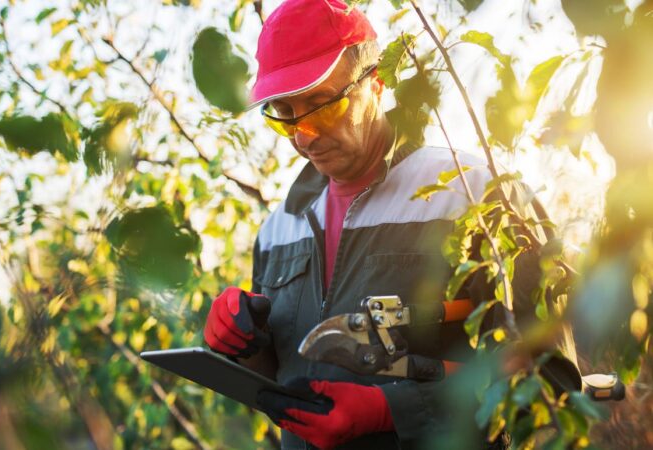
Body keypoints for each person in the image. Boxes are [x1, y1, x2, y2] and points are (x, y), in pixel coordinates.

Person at [203, 0, 579, 448]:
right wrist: (244, 345)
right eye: (285, 114)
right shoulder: (279, 228)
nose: (304, 136)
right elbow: (288, 372)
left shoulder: (473, 193)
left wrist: (390, 411)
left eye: (322, 106)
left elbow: (549, 375)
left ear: (376, 84)